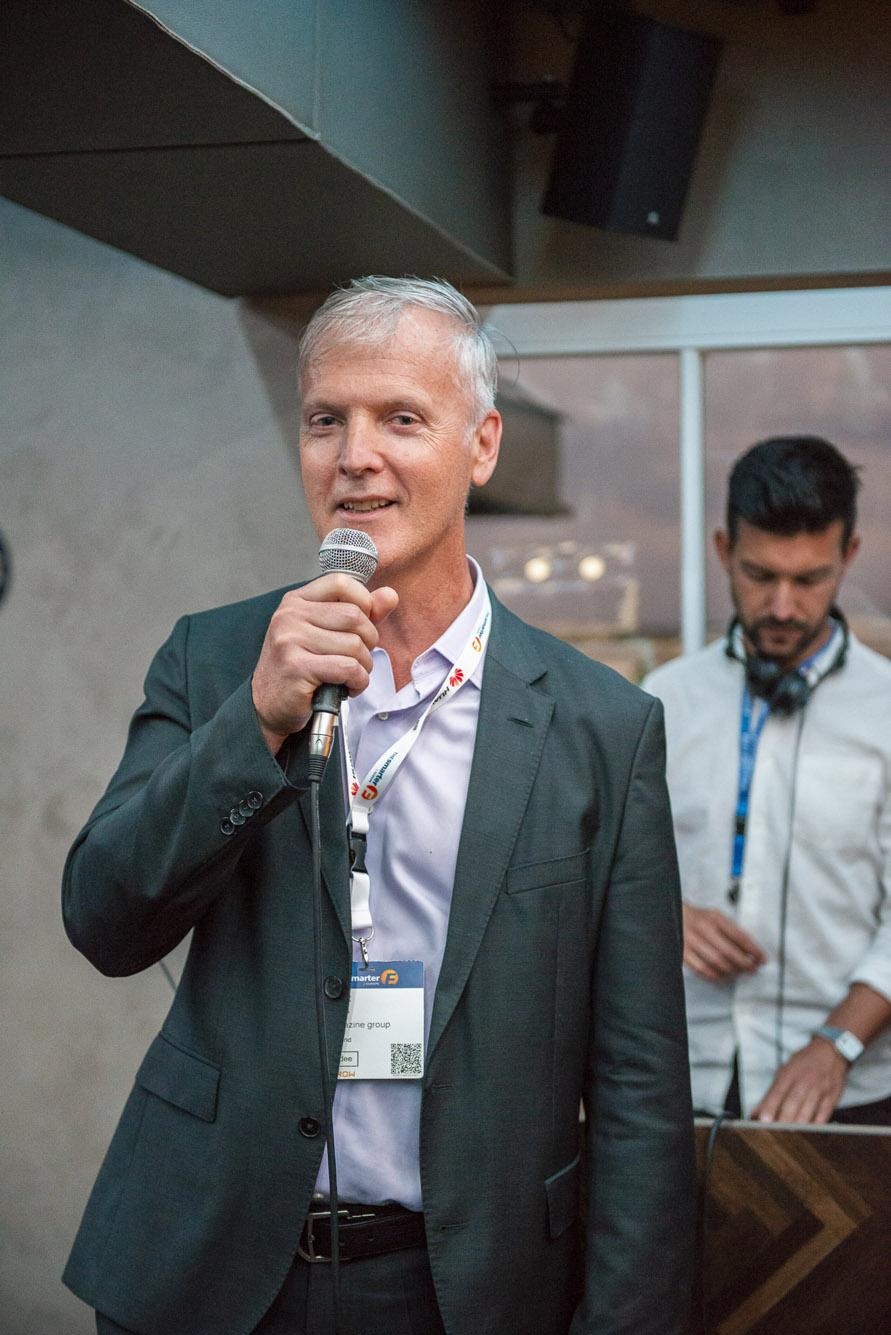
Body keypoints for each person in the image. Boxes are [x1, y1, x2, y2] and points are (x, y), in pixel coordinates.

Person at [62, 276, 694, 1335]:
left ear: (481, 446)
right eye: (326, 420)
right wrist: (254, 722)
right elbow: (104, 920)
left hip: (458, 1285)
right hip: (209, 1266)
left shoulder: (602, 727)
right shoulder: (215, 660)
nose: (355, 455)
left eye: (401, 418)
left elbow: (638, 1080)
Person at [644, 435, 891, 1127]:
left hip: (851, 1090)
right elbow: (603, 869)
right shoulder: (662, 699)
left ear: (848, 555)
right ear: (724, 551)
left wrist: (836, 1044)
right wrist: (667, 912)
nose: (782, 605)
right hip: (683, 1074)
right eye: (759, 575)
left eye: (809, 579)